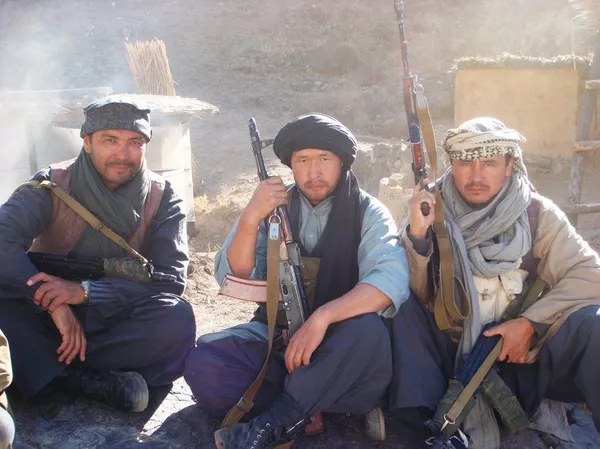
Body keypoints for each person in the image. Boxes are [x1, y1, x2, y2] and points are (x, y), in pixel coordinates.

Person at [184, 113, 410, 448]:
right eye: (303, 160)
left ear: (342, 162)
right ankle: (317, 407)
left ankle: (273, 423)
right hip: (279, 342)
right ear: (291, 164)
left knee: (368, 330)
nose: (314, 171)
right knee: (203, 364)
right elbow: (235, 274)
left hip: (342, 349)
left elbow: (390, 281)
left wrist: (322, 318)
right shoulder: (273, 208)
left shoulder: (368, 211)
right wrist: (251, 216)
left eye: (324, 159)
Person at [388, 117, 600, 448]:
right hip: (447, 356)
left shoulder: (536, 213)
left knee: (594, 324)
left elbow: (591, 274)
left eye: (489, 163)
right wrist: (417, 237)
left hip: (516, 359)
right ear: (452, 165)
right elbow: (416, 292)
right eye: (465, 164)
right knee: (395, 306)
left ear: (509, 165)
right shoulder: (431, 209)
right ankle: (430, 427)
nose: (476, 176)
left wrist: (529, 325)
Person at [0, 98, 196, 413]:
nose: (123, 154)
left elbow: (170, 278)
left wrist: (84, 292)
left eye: (135, 142)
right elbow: (3, 241)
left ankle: (45, 371)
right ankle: (85, 381)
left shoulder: (163, 197)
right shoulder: (51, 184)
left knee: (175, 317)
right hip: (42, 314)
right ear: (87, 142)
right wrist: (52, 301)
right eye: (110, 141)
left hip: (112, 315)